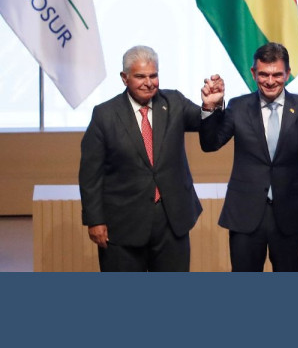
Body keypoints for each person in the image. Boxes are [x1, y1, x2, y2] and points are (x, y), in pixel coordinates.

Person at [78, 45, 223, 271]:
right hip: (123, 224)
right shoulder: (104, 115)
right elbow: (90, 174)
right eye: (140, 76)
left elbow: (209, 136)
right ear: (124, 78)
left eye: (153, 75)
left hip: (171, 221)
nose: (148, 82)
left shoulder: (174, 102)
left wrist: (210, 106)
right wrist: (95, 220)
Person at [198, 43, 298, 271]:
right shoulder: (238, 106)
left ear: (288, 73)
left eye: (277, 75)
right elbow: (210, 144)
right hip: (245, 214)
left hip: (290, 214)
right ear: (253, 73)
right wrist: (209, 108)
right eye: (263, 74)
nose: (270, 81)